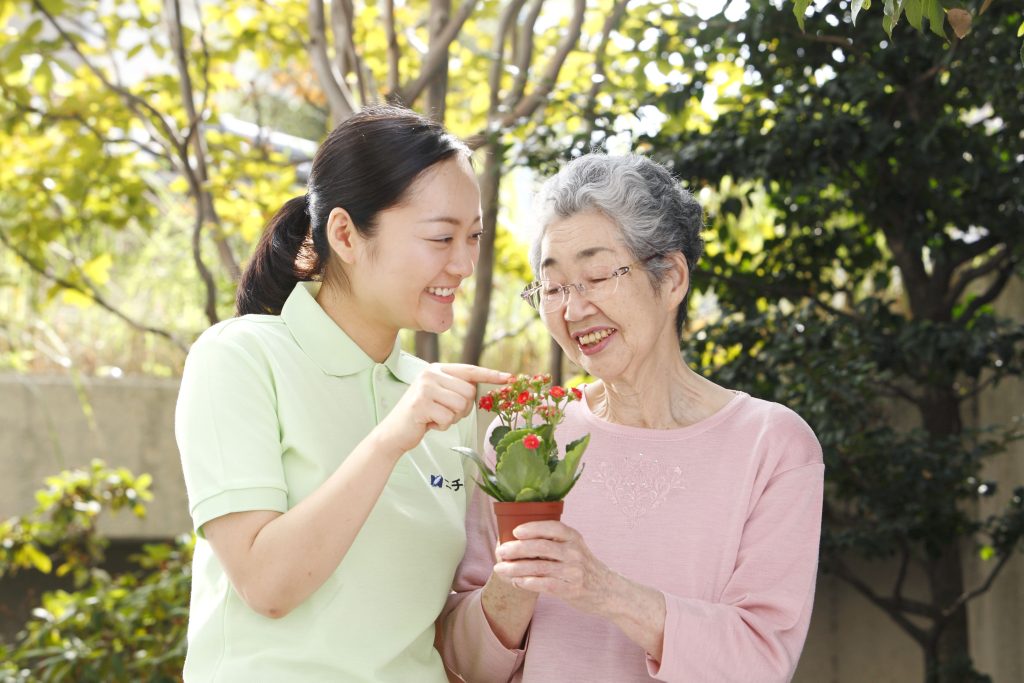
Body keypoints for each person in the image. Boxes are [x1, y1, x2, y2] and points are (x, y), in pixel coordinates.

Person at [439, 154, 824, 682]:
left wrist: (605, 591)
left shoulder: (771, 445)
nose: (573, 311)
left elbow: (761, 662)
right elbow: (466, 667)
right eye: (552, 289)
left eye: (596, 276)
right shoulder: (526, 437)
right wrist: (513, 587)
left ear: (670, 280)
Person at [175, 105, 511, 682]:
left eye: (474, 236)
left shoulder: (438, 402)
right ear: (345, 234)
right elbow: (266, 584)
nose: (463, 263)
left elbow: (436, 635)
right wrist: (389, 441)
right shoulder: (240, 357)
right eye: (441, 237)